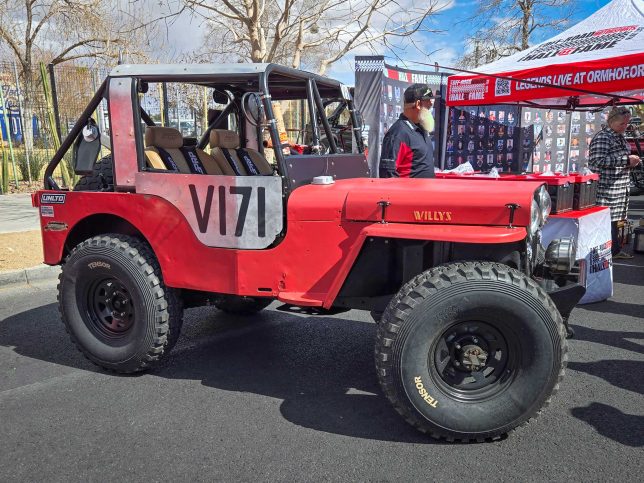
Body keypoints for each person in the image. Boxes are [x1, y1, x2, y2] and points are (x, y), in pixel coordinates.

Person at [588, 106, 642, 259]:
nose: (625, 127)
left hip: (617, 188)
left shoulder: (618, 136)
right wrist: (626, 160)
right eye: (622, 124)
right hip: (607, 188)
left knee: (613, 221)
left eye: (626, 124)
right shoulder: (603, 137)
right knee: (606, 222)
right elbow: (596, 162)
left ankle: (613, 251)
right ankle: (606, 253)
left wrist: (631, 162)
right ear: (611, 121)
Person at [379, 83, 435, 178]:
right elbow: (388, 174)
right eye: (428, 101)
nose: (431, 104)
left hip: (427, 192)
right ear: (418, 104)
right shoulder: (398, 133)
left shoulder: (421, 129)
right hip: (410, 192)